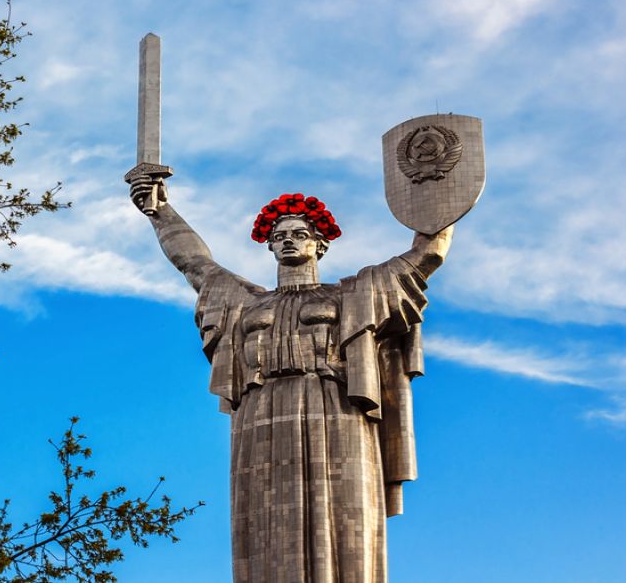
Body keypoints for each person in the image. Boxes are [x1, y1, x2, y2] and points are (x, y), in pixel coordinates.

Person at [131, 181, 452, 583]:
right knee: (263, 522)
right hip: (261, 413)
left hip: (336, 407)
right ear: (269, 246)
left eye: (299, 234)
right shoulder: (245, 303)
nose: (287, 242)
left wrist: (442, 197)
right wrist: (160, 211)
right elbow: (195, 263)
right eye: (278, 236)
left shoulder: (353, 295)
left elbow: (426, 254)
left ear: (320, 244)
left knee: (343, 512)